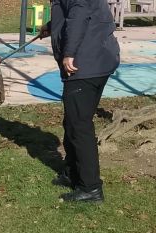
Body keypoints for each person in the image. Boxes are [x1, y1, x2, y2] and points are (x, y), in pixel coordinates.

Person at [39, 0, 120, 202]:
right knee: (73, 121)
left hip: (85, 64)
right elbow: (75, 12)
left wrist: (69, 53)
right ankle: (73, 172)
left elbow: (79, 15)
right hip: (96, 59)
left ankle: (90, 188)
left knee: (79, 126)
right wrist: (51, 26)